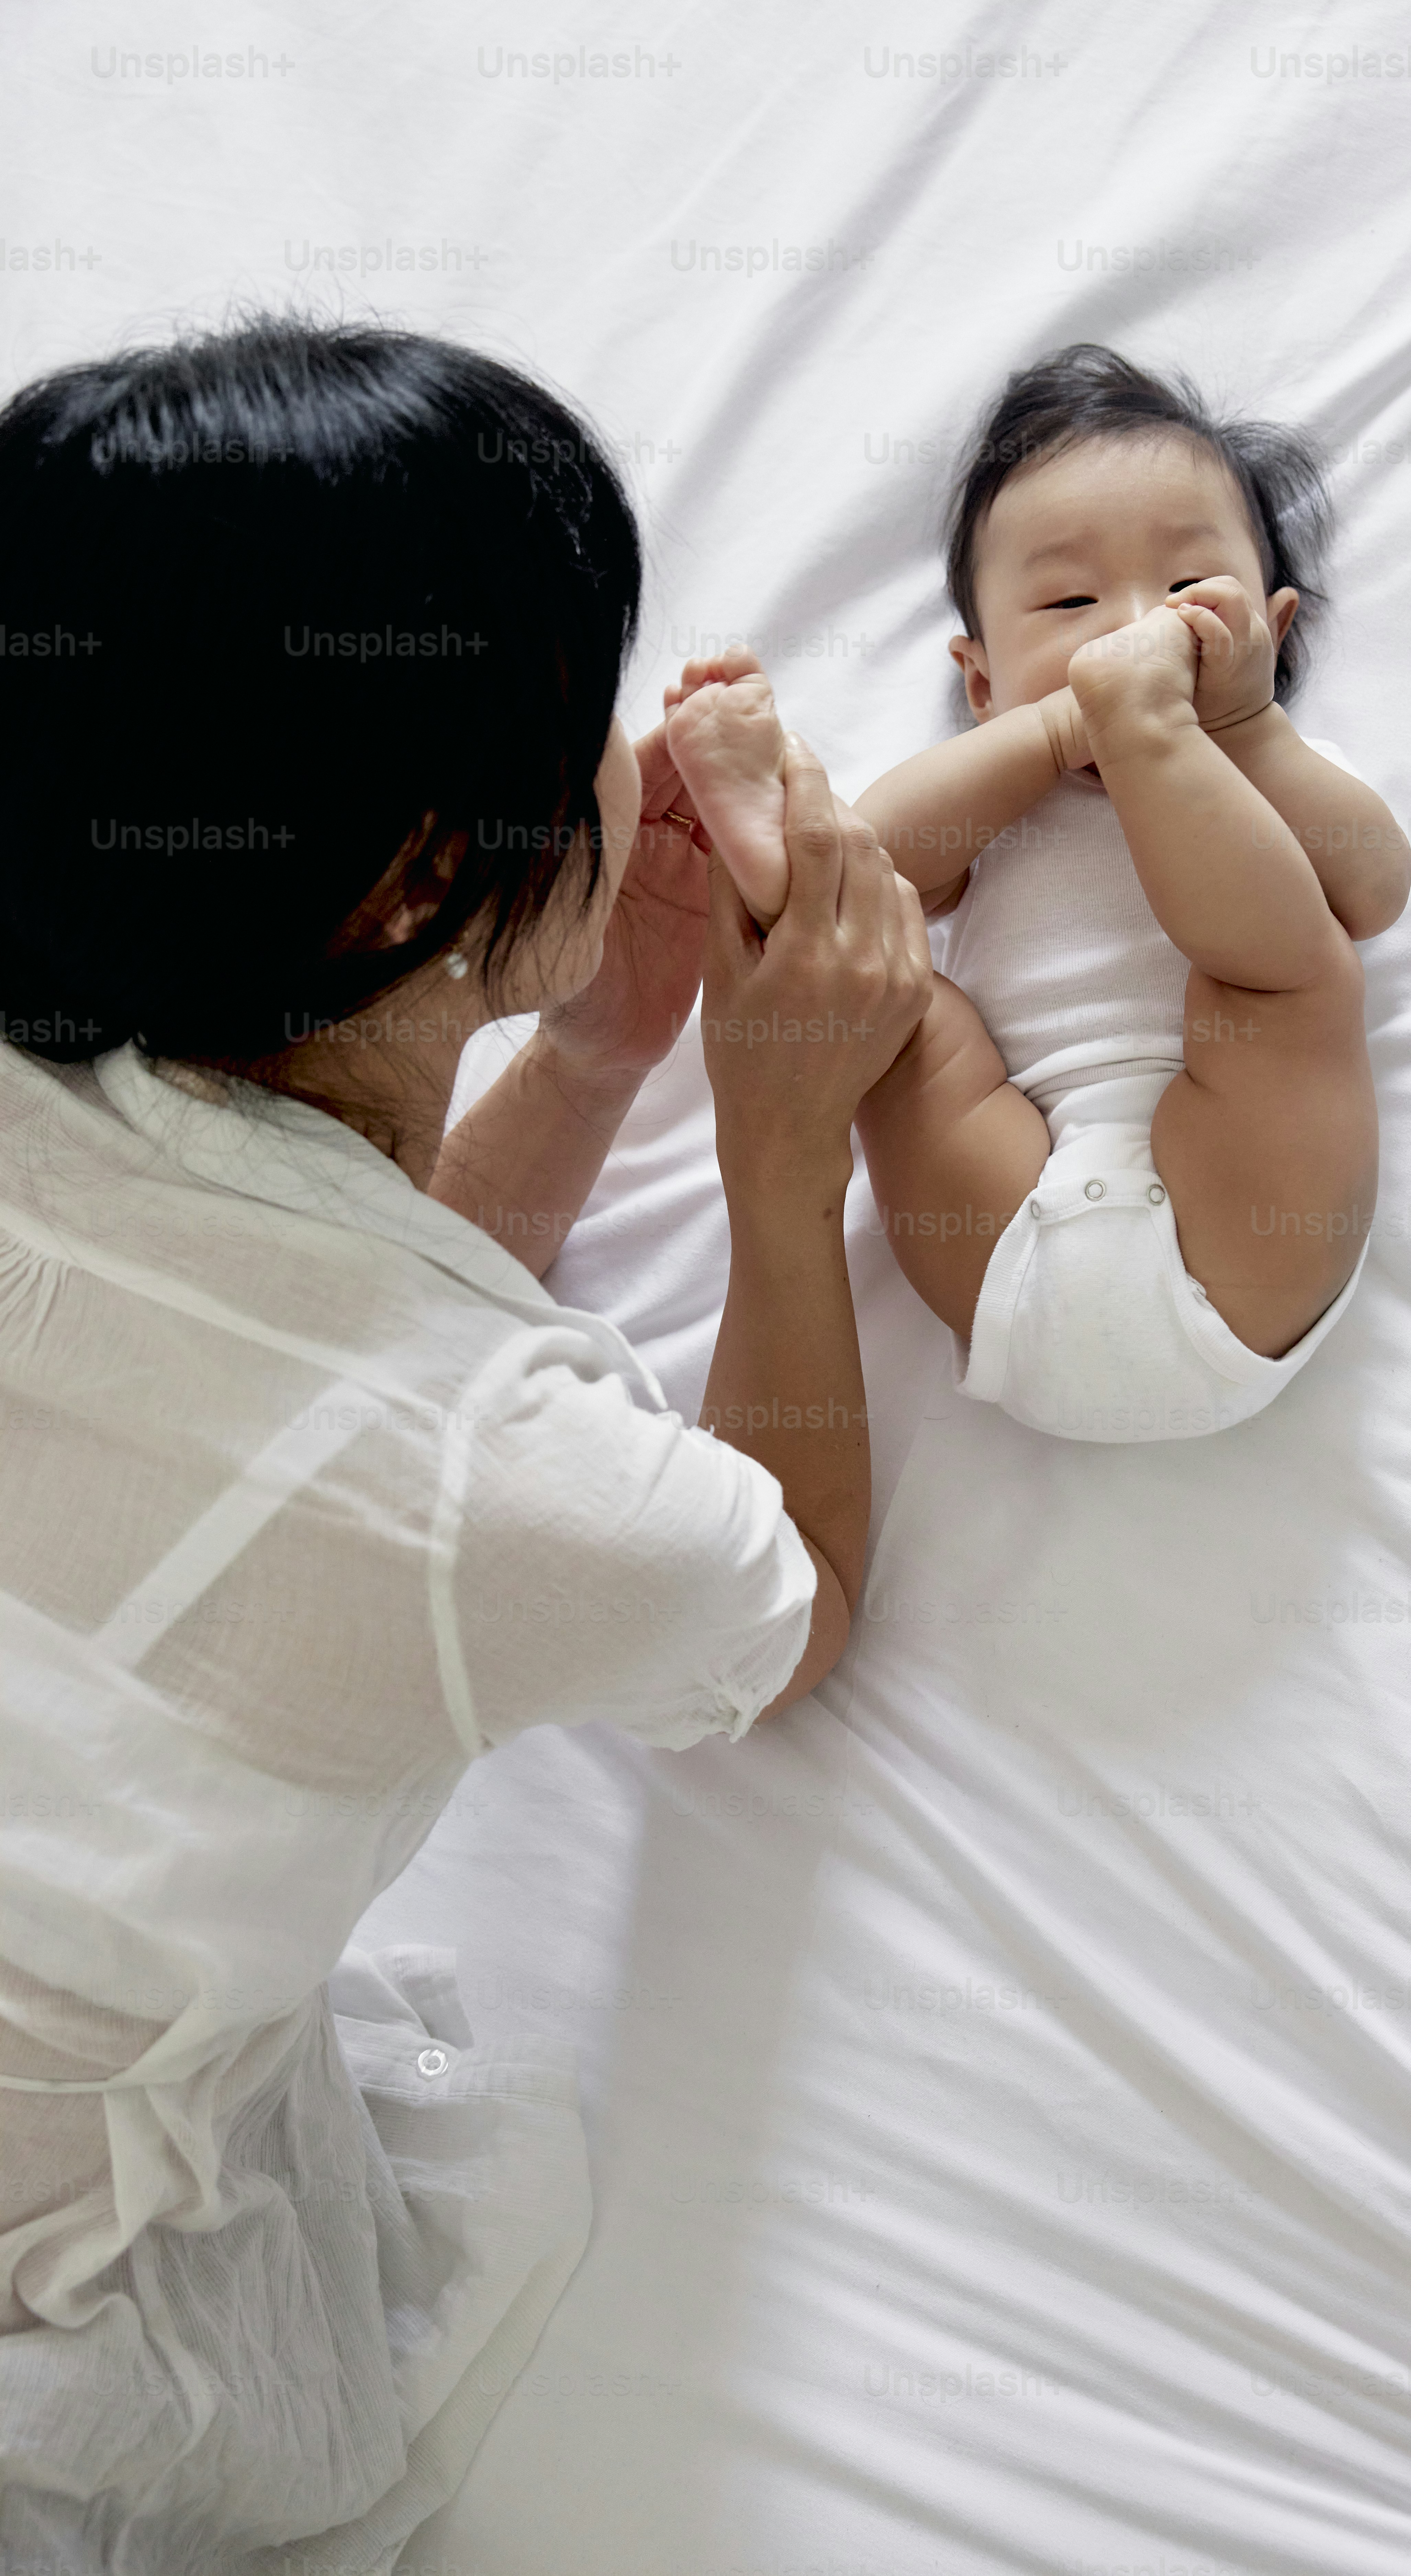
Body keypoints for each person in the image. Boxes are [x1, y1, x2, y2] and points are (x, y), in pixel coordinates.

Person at [0, 315, 929, 2573]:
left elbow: (273, 1317)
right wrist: (779, 1146)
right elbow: (764, 1613)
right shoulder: (505, 1485)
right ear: (418, 879)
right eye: (576, 712)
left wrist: (600, 1056)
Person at [665, 347, 1411, 1442]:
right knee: (891, 987)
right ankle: (799, 875)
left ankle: (803, 884)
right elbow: (898, 857)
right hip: (1005, 1236)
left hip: (1247, 1235)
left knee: (1290, 977)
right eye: (1068, 598)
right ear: (980, 683)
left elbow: (1374, 885)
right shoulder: (994, 794)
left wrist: (1244, 731)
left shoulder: (1277, 767)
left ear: (1273, 630)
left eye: (1182, 588)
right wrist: (1061, 730)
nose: (1129, 626)